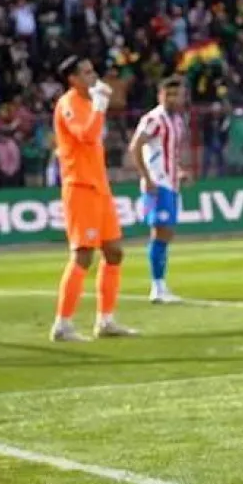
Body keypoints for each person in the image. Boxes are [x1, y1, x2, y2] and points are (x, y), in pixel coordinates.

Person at [50, 56, 137, 341]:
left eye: (92, 70)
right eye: (87, 72)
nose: (93, 76)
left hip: (99, 187)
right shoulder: (69, 104)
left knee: (114, 251)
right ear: (73, 79)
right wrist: (100, 107)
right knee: (83, 254)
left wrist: (98, 106)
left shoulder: (87, 103)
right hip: (80, 187)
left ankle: (106, 320)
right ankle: (62, 324)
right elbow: (85, 136)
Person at [128, 75, 189, 304]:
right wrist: (147, 178)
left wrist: (179, 171)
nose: (174, 99)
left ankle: (161, 285)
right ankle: (157, 287)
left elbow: (169, 153)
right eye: (169, 94)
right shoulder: (153, 119)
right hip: (157, 184)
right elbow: (135, 146)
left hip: (171, 183)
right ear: (160, 95)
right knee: (160, 231)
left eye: (178, 94)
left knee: (167, 232)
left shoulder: (178, 121)